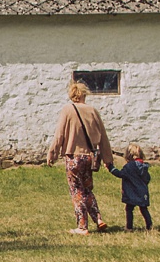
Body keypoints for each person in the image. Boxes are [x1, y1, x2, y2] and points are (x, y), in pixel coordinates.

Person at [48, 77, 113, 235]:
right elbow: (103, 137)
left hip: (73, 157)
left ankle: (82, 226)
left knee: (76, 190)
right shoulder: (92, 111)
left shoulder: (67, 110)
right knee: (87, 190)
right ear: (84, 94)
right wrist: (108, 159)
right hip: (90, 157)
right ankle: (98, 219)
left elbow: (60, 134)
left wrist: (52, 153)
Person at [107, 143, 154, 230]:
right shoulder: (143, 166)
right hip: (142, 192)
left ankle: (129, 227)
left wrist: (111, 168)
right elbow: (147, 178)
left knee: (129, 209)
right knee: (143, 209)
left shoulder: (129, 167)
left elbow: (121, 174)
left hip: (131, 192)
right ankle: (149, 226)